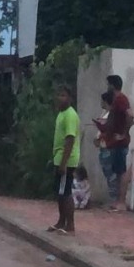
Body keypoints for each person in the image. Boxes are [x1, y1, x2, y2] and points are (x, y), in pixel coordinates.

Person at [49, 85, 80, 234]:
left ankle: (70, 226)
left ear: (70, 98)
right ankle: (61, 222)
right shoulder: (61, 114)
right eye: (59, 95)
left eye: (63, 95)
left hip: (67, 160)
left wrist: (63, 163)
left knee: (66, 192)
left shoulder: (70, 115)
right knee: (60, 192)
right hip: (59, 157)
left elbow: (70, 139)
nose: (60, 98)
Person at [105, 74, 134, 211]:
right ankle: (118, 201)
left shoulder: (121, 99)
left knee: (121, 171)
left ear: (112, 85)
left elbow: (130, 115)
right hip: (115, 142)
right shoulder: (117, 100)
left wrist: (124, 133)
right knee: (117, 171)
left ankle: (121, 202)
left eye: (108, 84)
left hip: (120, 142)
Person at [93, 91, 120, 208]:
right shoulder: (105, 113)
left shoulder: (110, 116)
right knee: (108, 174)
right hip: (103, 147)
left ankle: (114, 201)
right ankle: (113, 199)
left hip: (107, 147)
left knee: (111, 175)